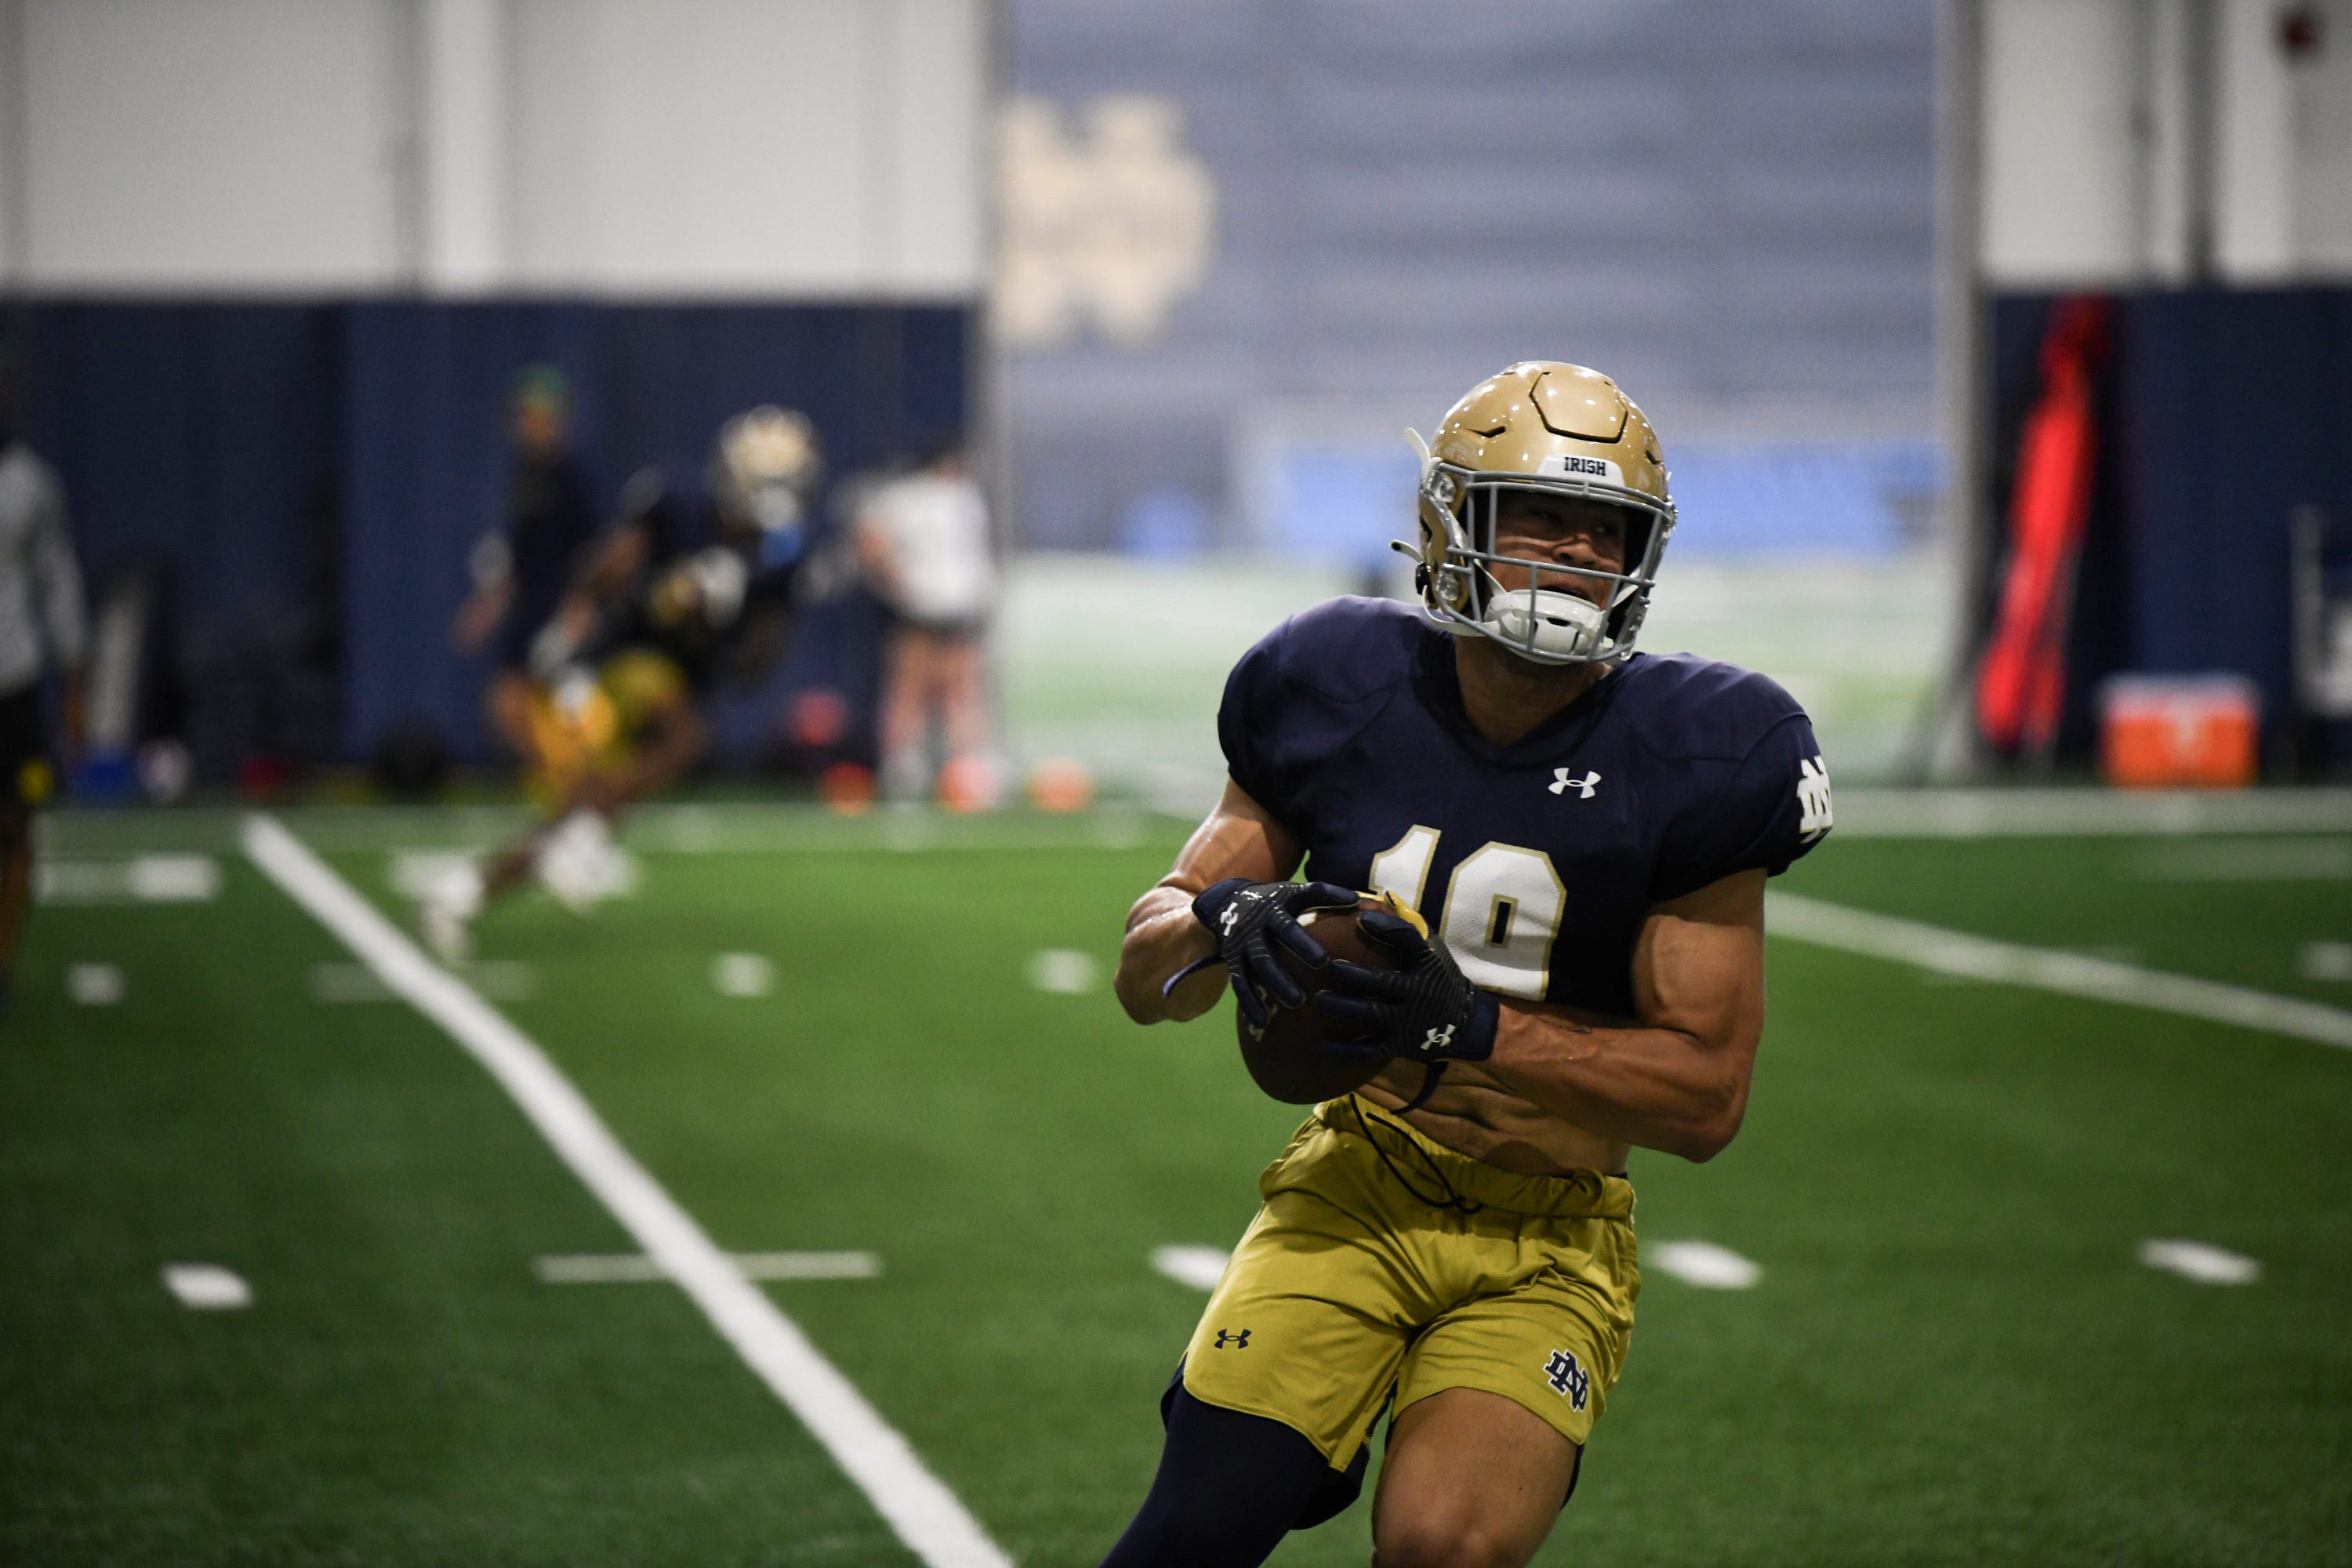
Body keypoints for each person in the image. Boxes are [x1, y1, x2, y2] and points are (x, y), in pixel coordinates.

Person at [1102, 361, 1834, 1568]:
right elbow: (1144, 975)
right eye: (1535, 517)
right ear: (1450, 525)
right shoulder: (1335, 682)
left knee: (1447, 1548)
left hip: (1548, 1237)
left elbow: (1708, 1100)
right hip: (1361, 1180)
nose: (1570, 556)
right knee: (1192, 1532)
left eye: (1604, 531)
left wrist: (1474, 1028)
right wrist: (1223, 922)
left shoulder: (1703, 751)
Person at [421, 406, 818, 961]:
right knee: (681, 739)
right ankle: (572, 844)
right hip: (620, 661)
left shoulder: (778, 558)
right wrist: (584, 622)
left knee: (586, 809)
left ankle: (465, 890)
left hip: (677, 683)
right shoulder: (678, 507)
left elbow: (754, 671)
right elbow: (606, 569)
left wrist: (735, 620)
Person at [451, 364, 601, 771]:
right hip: (530, 609)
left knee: (569, 704)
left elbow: (593, 552)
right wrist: (487, 608)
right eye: (525, 418)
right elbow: (518, 556)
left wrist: (579, 610)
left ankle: (581, 786)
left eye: (540, 418)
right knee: (508, 703)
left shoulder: (573, 479)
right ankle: (557, 784)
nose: (531, 427)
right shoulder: (524, 477)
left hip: (561, 609)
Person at [0, 401, 87, 1020]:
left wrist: (75, 685)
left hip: (15, 683)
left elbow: (59, 582)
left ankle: (1, 967)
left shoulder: (29, 483)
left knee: (18, 825)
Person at [855, 439, 998, 804]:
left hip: (953, 608)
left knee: (959, 693)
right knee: (912, 692)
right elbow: (871, 542)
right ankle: (906, 773)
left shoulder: (962, 496)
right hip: (921, 609)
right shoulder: (912, 497)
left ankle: (964, 773)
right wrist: (895, 583)